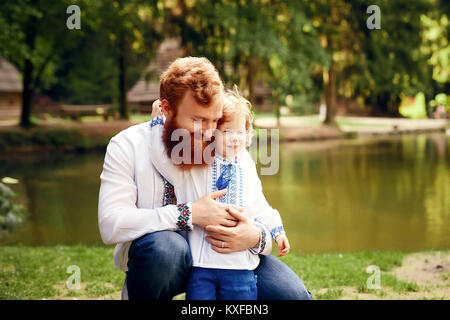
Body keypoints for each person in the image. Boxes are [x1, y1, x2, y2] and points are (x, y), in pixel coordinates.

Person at [98, 56, 312, 300]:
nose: (211, 133)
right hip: (165, 261)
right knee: (167, 249)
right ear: (166, 109)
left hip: (223, 257)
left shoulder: (224, 146)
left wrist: (256, 237)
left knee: (293, 296)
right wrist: (189, 214)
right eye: (199, 121)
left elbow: (255, 204)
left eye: (216, 120)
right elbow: (110, 223)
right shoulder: (127, 145)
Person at [149, 86, 290, 300]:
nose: (235, 139)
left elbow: (260, 205)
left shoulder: (247, 166)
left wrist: (277, 231)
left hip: (240, 267)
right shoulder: (199, 160)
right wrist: (159, 123)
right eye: (227, 132)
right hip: (202, 266)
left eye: (240, 132)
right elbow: (162, 159)